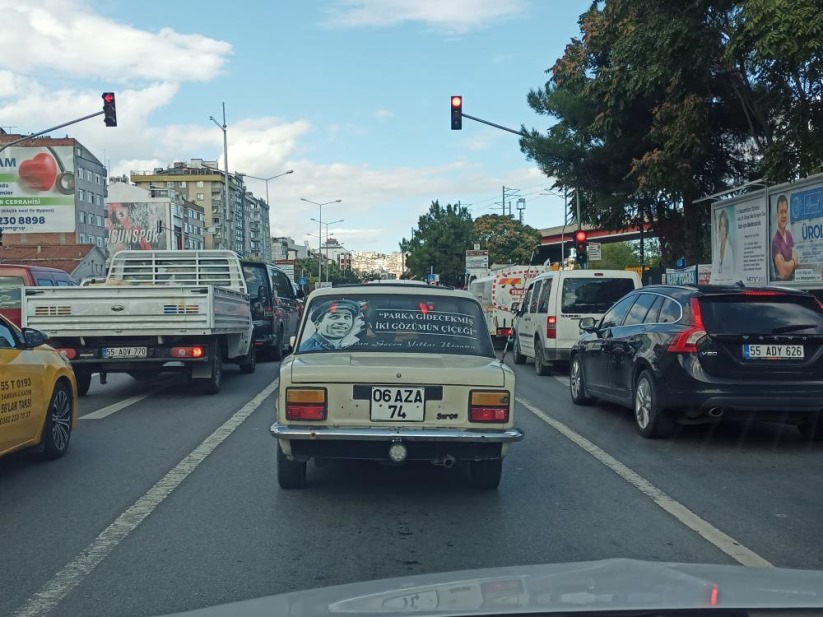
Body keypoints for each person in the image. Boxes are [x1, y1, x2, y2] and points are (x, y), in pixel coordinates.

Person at [299, 299, 365, 351]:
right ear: (317, 324)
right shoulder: (311, 350)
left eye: (347, 317)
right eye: (334, 317)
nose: (342, 322)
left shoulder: (347, 345)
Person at [772, 194, 798, 281]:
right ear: (777, 215)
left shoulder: (789, 235)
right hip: (781, 288)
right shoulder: (775, 241)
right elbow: (783, 273)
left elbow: (797, 257)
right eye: (781, 212)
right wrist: (794, 261)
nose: (784, 215)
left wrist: (787, 264)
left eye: (785, 211)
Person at [713, 209, 735, 279]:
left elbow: (731, 272)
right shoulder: (717, 248)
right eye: (721, 225)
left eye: (724, 225)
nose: (722, 229)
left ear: (727, 228)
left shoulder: (730, 249)